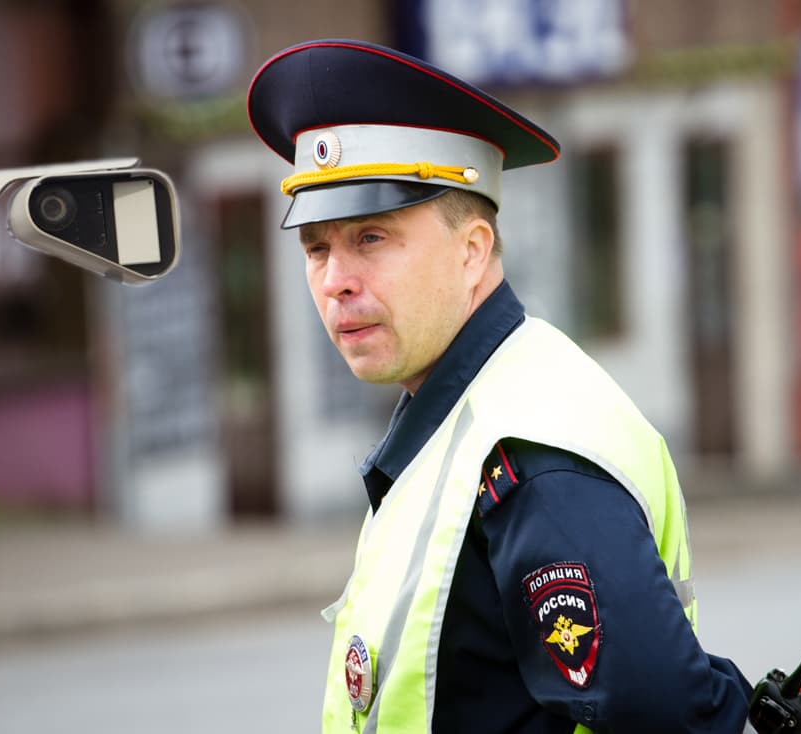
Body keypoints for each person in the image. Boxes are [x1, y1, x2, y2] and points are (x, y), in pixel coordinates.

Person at [246, 39, 755, 733]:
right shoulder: (460, 413)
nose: (335, 279)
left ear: (472, 251)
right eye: (316, 248)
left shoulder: (530, 451)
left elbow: (668, 715)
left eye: (370, 237)